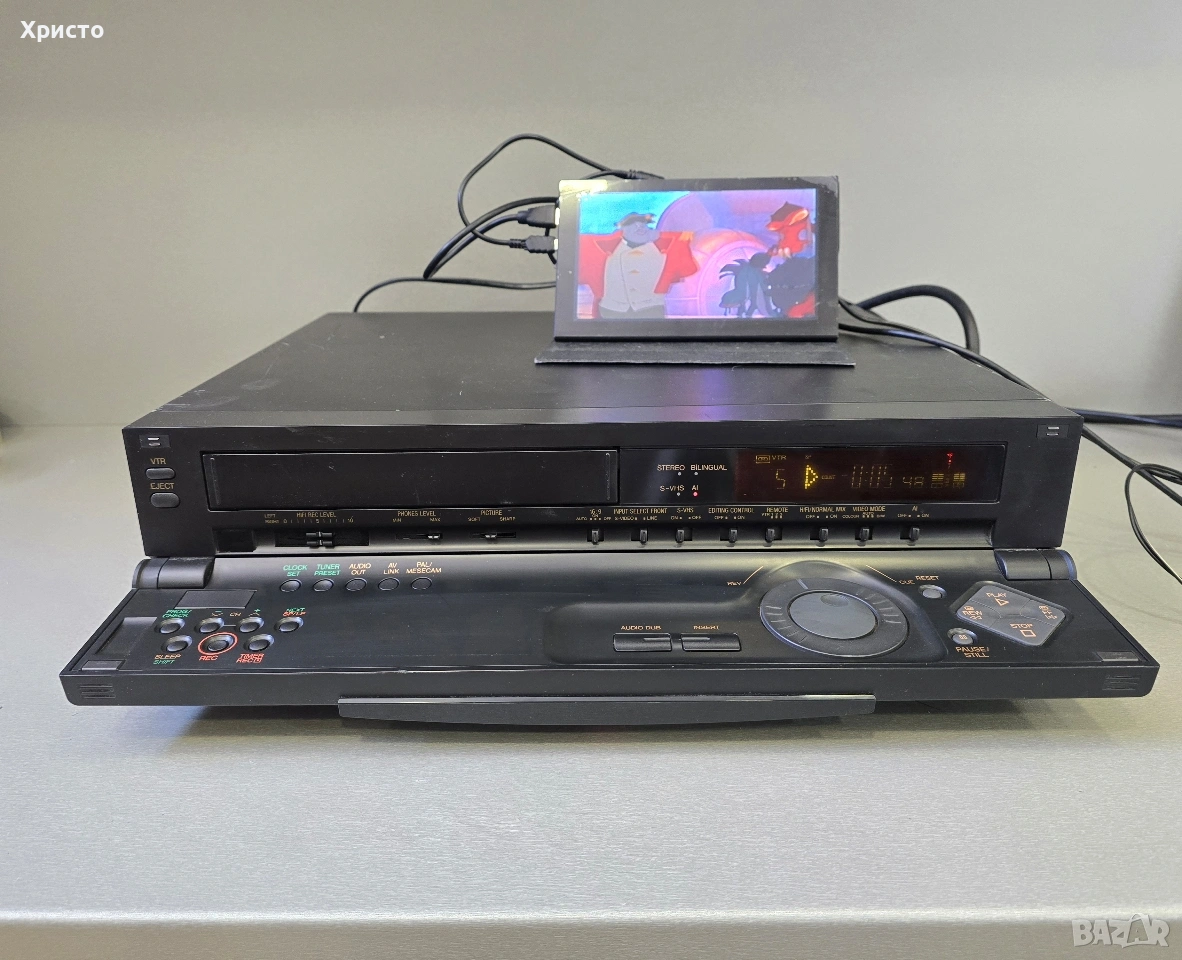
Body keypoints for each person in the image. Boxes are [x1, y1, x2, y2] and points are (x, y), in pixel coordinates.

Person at [578, 213, 698, 318]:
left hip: (650, 309)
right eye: (633, 225)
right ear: (623, 229)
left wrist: (684, 237)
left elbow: (686, 268)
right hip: (612, 311)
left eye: (642, 225)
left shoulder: (665, 248)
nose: (639, 228)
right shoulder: (606, 249)